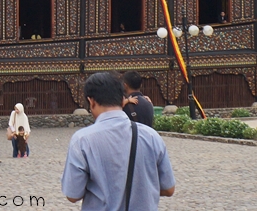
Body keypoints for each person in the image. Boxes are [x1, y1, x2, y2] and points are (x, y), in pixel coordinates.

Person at [61, 72, 175, 210]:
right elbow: (169, 189)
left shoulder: (82, 140)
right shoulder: (151, 136)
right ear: (123, 99)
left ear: (91, 101)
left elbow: (73, 195)